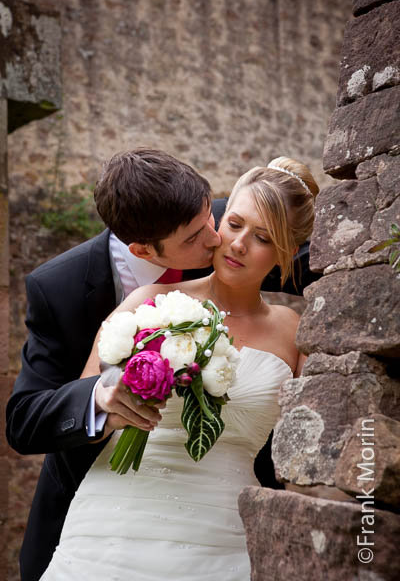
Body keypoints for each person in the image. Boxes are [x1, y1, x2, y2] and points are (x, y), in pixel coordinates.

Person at [6, 148, 319, 581]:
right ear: (142, 249)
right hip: (114, 510)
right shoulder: (140, 301)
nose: (224, 241)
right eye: (230, 226)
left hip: (223, 526)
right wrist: (103, 398)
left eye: (263, 238)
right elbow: (32, 416)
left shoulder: (290, 323)